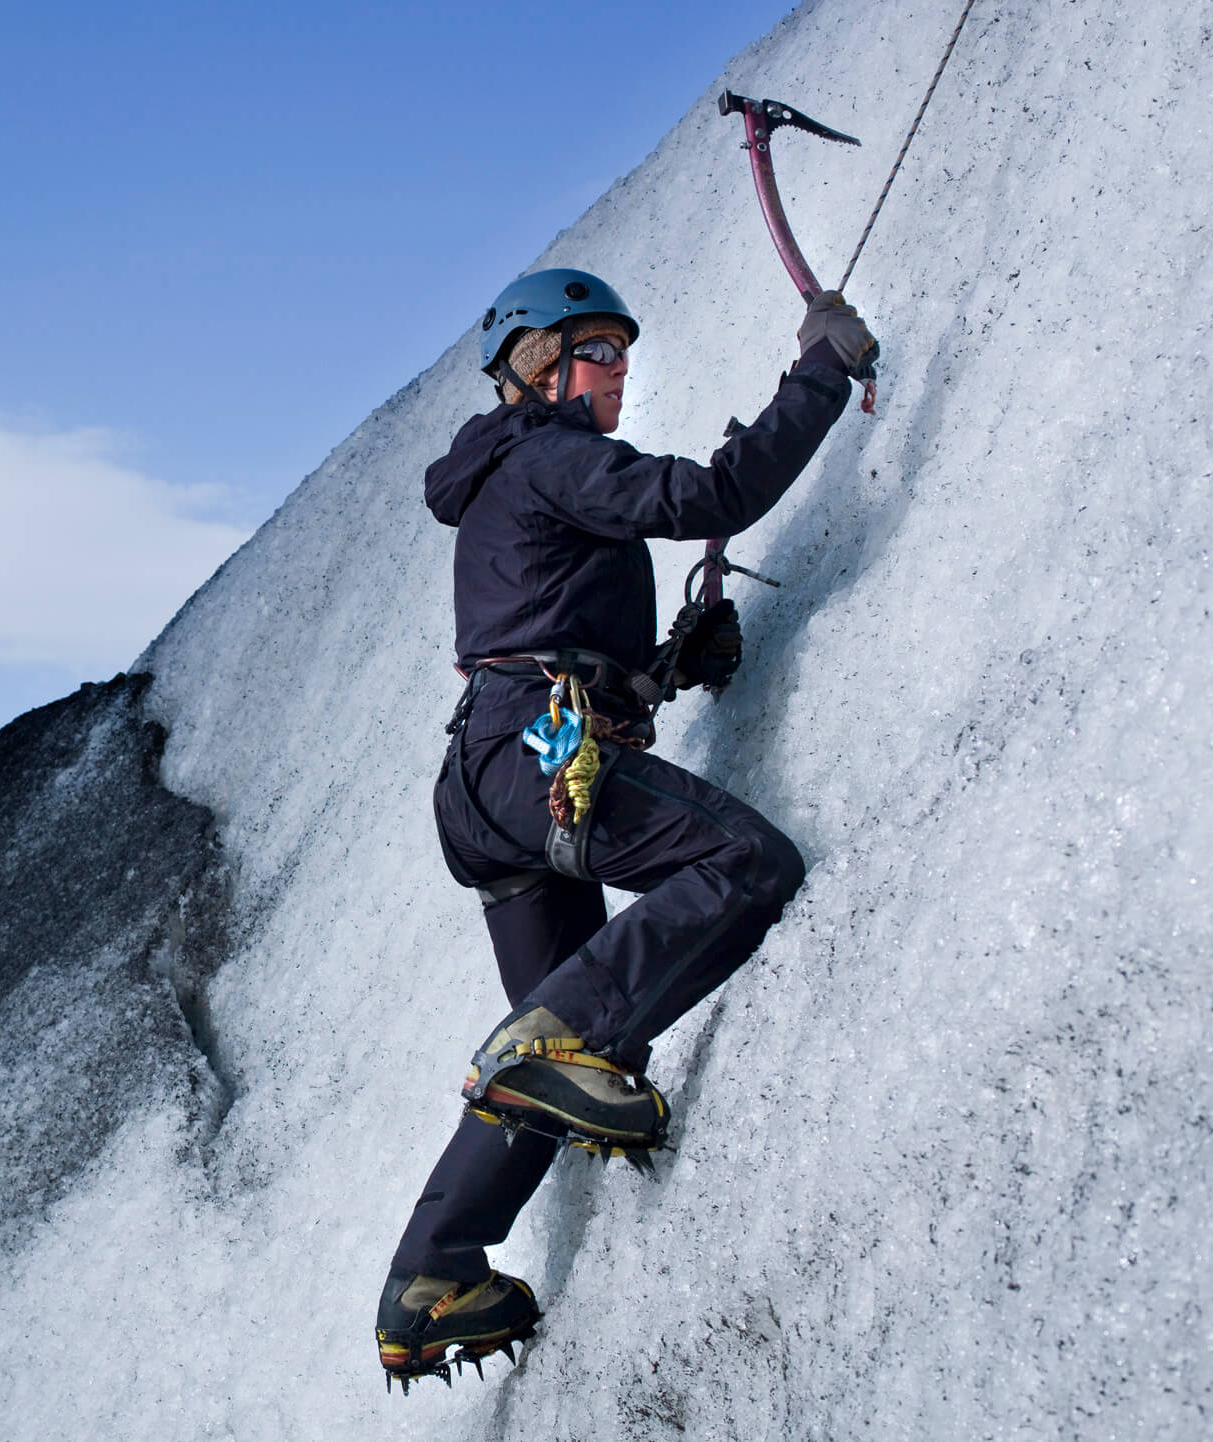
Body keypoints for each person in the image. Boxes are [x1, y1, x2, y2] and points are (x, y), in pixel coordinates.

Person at [374, 268, 876, 1389]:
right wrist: (821, 371)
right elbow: (709, 495)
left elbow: (547, 620)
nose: (618, 368)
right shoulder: (545, 450)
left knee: (568, 1057)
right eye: (597, 348)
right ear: (538, 365)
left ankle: (431, 1272)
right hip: (532, 754)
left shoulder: (511, 474)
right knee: (744, 864)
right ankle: (545, 1044)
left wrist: (664, 667)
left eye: (619, 351)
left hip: (495, 774)